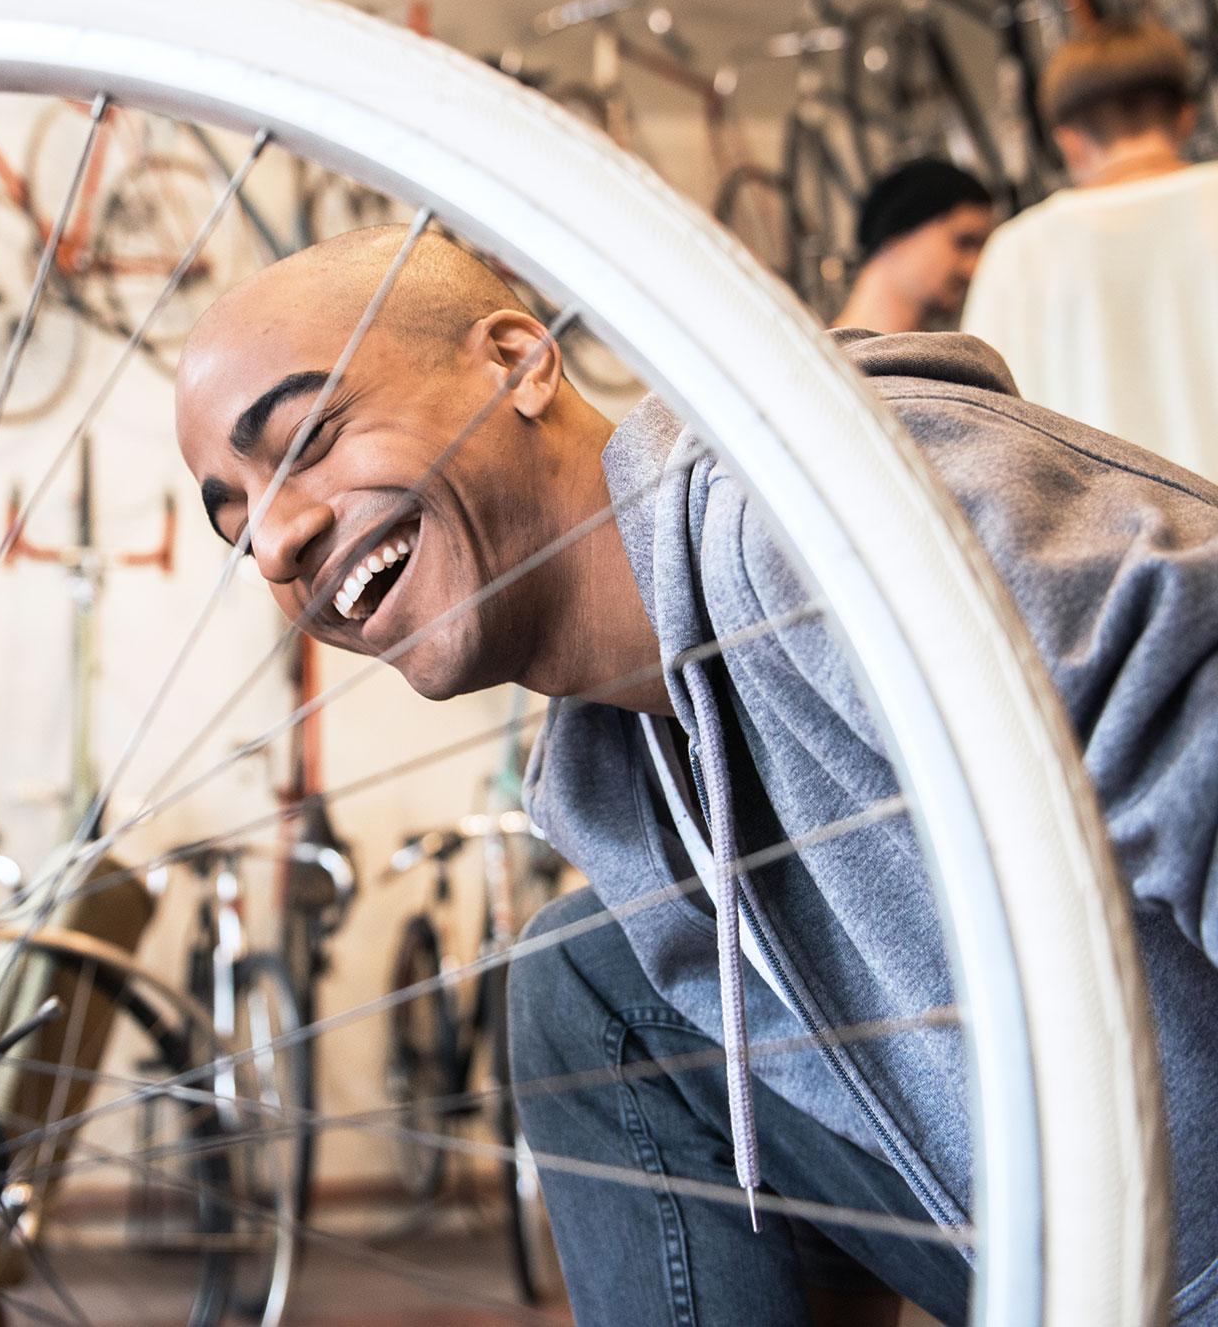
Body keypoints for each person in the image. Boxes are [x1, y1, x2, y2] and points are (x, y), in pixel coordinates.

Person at [175, 227, 1218, 1326]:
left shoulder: (812, 514)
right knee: (585, 984)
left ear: (520, 363)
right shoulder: (601, 781)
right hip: (1075, 1271)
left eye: (310, 438)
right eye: (237, 523)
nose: (279, 540)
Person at [961, 17, 1218, 479]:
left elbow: (988, 432)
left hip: (1111, 544)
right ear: (1185, 118)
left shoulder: (1019, 251)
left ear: (1070, 143)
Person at [828, 158, 993, 334]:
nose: (974, 269)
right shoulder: (812, 358)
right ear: (897, 231)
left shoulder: (951, 359)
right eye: (964, 243)